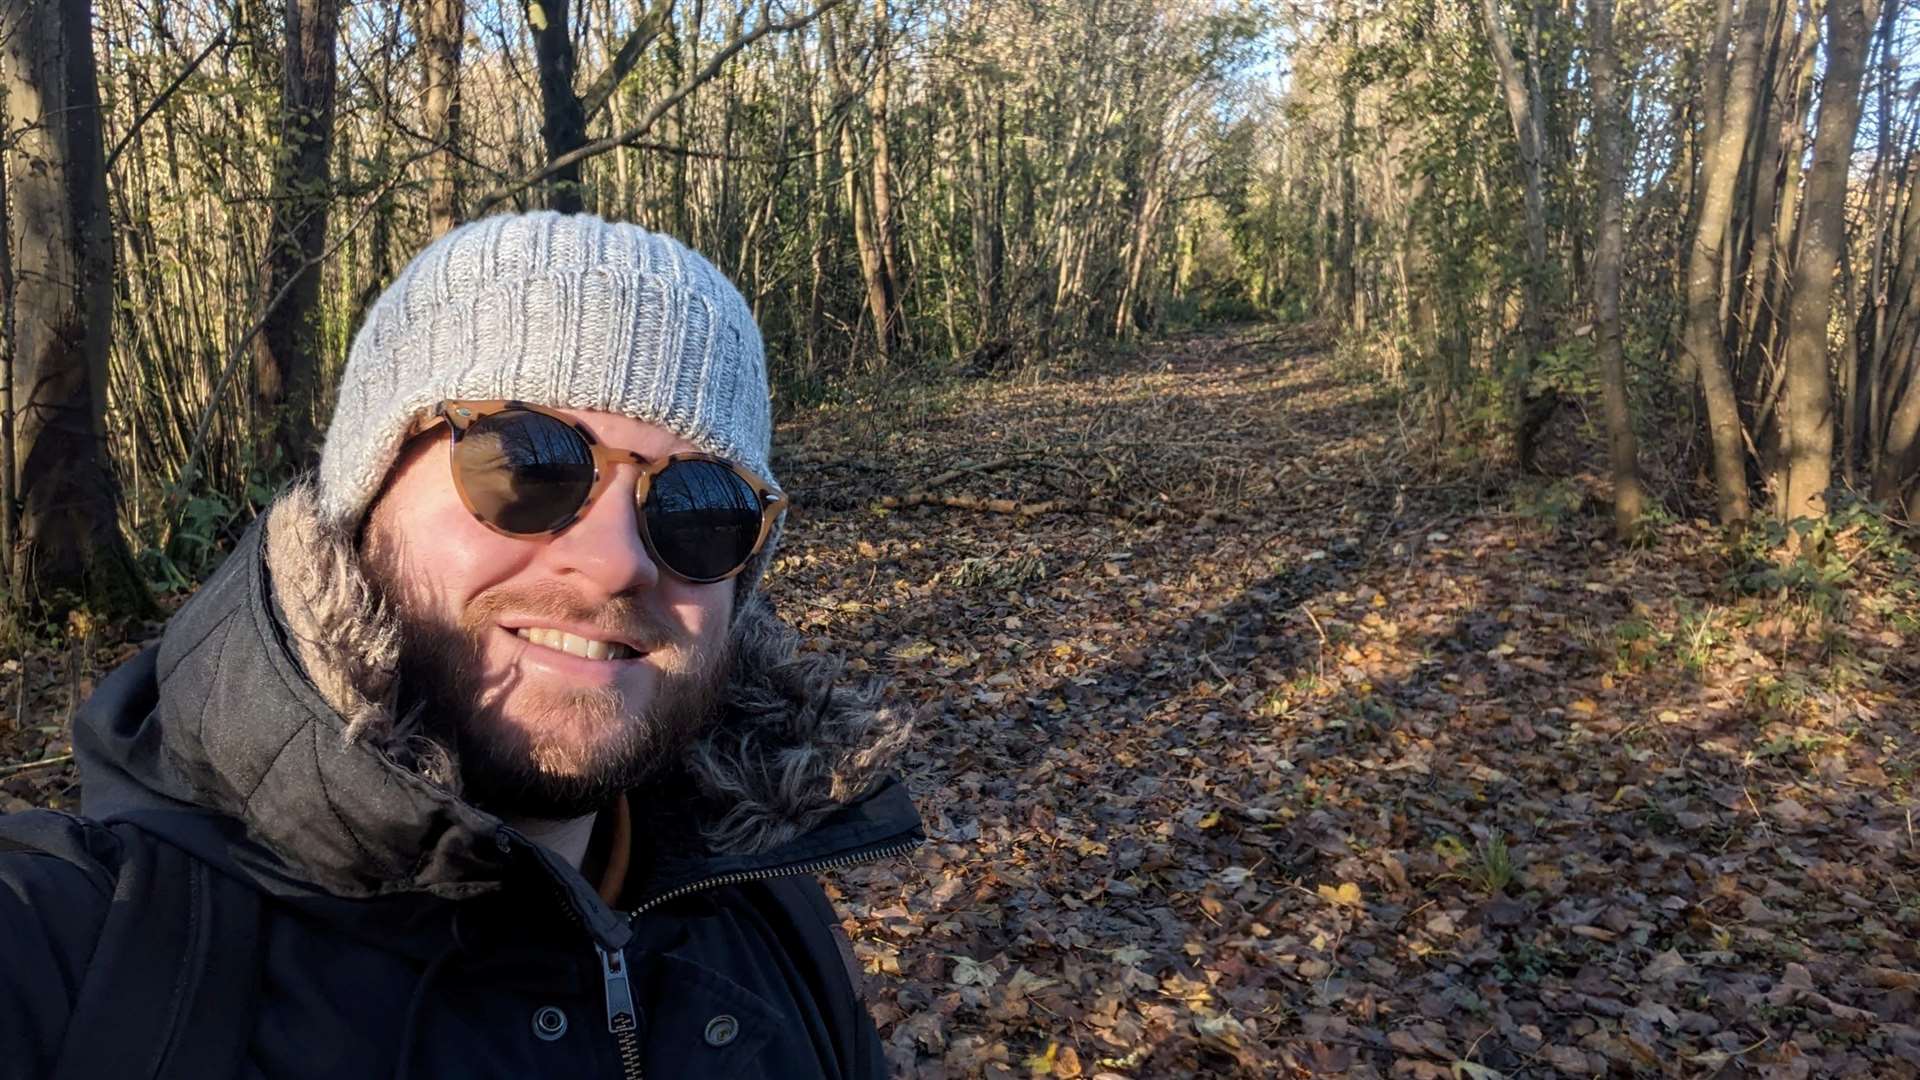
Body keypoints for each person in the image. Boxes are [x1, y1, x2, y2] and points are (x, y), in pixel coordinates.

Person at [0, 212, 921, 1079]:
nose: (611, 566)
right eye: (527, 463)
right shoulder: (79, 944)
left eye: (701, 506)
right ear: (361, 499)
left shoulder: (771, 914)